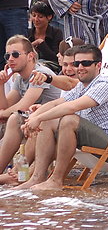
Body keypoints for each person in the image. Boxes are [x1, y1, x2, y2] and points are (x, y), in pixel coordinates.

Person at [16, 44, 108, 191]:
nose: (80, 67)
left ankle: (56, 180)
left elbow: (72, 107)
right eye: (77, 63)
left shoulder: (104, 83)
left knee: (69, 120)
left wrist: (38, 119)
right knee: (49, 120)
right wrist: (34, 117)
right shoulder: (82, 86)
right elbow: (56, 103)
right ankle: (37, 177)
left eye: (85, 63)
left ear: (98, 65)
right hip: (101, 146)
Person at [0, 36, 61, 174]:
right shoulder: (20, 78)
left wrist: (3, 113)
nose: (10, 59)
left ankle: (7, 171)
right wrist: (1, 84)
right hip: (37, 119)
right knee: (11, 118)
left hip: (52, 121)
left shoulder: (40, 73)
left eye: (15, 54)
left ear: (30, 56)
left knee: (15, 118)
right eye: (7, 55)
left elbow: (23, 106)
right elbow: (5, 106)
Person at [27, 0, 62, 71]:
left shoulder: (56, 33)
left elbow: (55, 58)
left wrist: (41, 44)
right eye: (34, 15)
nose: (36, 19)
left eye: (40, 16)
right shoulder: (27, 33)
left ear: (49, 17)